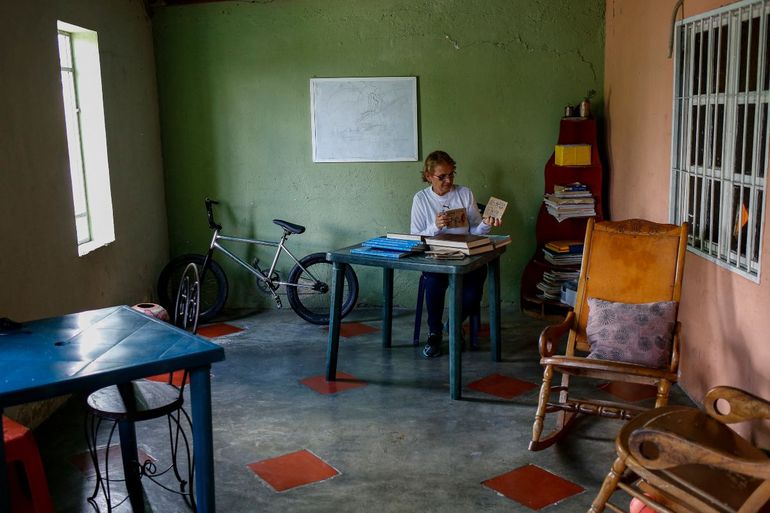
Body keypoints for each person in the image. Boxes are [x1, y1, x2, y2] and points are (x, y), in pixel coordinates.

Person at [410, 150, 502, 358]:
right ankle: (434, 333)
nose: (448, 180)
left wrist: (486, 225)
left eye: (451, 174)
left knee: (475, 286)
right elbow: (415, 236)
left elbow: (476, 230)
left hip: (465, 255)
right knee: (433, 283)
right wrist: (435, 226)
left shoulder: (464, 193)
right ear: (428, 176)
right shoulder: (421, 199)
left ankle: (453, 322)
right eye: (442, 176)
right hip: (436, 256)